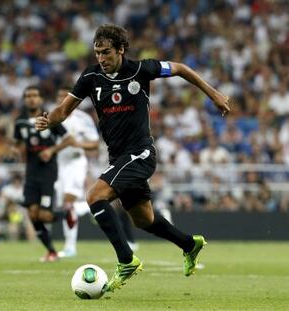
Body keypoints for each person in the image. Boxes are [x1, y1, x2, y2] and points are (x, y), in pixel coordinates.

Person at [35, 24, 230, 292]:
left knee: (94, 197)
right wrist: (49, 119)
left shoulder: (142, 69)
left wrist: (214, 94)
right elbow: (63, 110)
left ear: (121, 50)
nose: (101, 58)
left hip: (141, 152)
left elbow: (181, 68)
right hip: (118, 157)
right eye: (97, 53)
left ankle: (126, 261)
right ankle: (189, 244)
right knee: (143, 219)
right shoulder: (91, 77)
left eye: (106, 52)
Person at [13, 85, 74, 262]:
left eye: (35, 95)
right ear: (25, 100)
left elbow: (70, 139)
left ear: (40, 99)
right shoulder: (20, 122)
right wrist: (15, 150)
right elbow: (17, 143)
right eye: (28, 96)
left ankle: (66, 214)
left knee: (44, 215)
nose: (31, 99)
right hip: (31, 173)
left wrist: (52, 150)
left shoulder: (50, 118)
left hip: (48, 172)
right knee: (32, 214)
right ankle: (51, 251)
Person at [54, 85, 100, 258]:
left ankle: (70, 246)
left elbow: (94, 143)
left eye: (64, 97)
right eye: (59, 96)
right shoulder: (53, 117)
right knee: (61, 205)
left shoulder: (83, 119)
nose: (61, 100)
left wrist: (78, 144)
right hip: (57, 164)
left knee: (67, 203)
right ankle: (86, 207)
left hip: (75, 162)